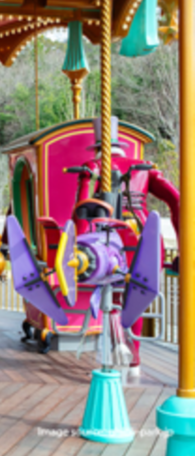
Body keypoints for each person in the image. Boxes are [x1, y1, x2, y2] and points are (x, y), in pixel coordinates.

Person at [75, 116, 180, 376]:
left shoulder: (93, 166)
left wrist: (77, 242)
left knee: (111, 291)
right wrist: (183, 244)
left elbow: (81, 211)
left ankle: (114, 351)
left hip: (109, 236)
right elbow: (178, 200)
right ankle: (134, 358)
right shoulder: (145, 168)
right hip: (144, 234)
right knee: (140, 292)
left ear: (97, 146)